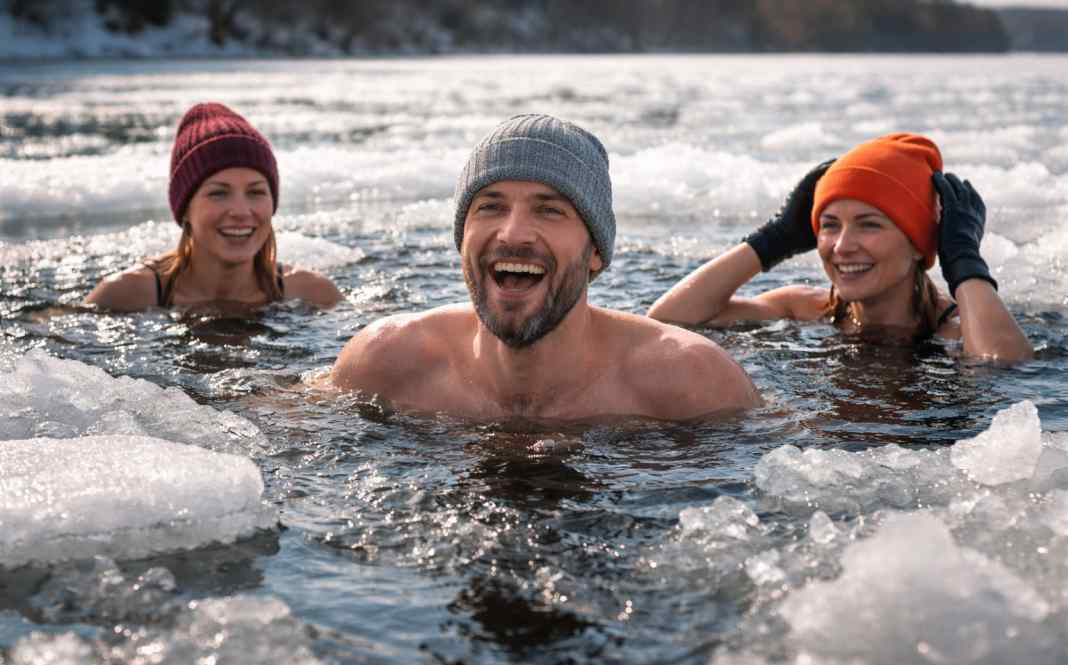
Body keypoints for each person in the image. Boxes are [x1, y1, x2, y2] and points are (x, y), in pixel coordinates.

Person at [330, 114, 761, 420]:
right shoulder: (384, 363)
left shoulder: (692, 384)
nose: (513, 233)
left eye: (549, 211)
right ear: (462, 238)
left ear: (595, 251)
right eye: (490, 207)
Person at [647, 133, 1033, 363]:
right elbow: (670, 321)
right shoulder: (804, 309)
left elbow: (1002, 368)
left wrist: (964, 262)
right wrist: (771, 241)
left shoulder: (956, 331)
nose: (842, 246)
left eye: (869, 225)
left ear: (918, 243)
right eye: (829, 225)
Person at [85, 103, 342, 311]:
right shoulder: (124, 295)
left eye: (256, 192)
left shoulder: (314, 293)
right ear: (185, 208)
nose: (241, 211)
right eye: (218, 193)